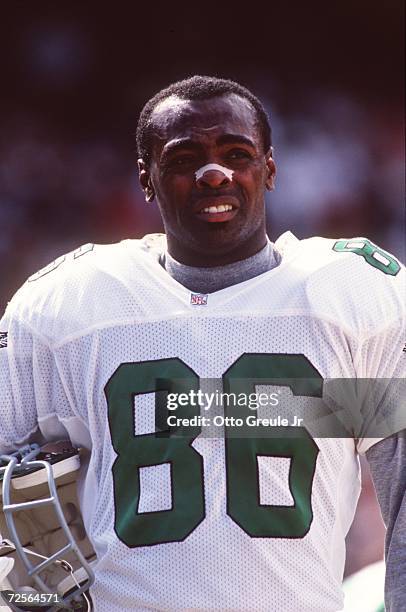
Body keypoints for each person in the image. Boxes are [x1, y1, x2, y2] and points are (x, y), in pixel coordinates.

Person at [0, 75, 405, 611]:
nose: (214, 174)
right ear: (146, 179)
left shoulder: (349, 296)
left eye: (236, 153)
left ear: (270, 167)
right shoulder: (68, 307)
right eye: (184, 157)